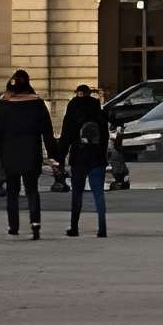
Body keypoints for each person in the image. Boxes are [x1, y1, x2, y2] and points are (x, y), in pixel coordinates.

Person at [0, 70, 55, 239]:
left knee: (12, 191)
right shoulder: (37, 103)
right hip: (31, 152)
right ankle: (35, 224)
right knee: (32, 190)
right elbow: (47, 131)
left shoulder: (3, 104)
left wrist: (0, 151)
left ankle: (13, 226)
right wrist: (53, 154)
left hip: (10, 153)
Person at [60, 83, 109, 238]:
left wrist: (60, 158)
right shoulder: (97, 110)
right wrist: (102, 154)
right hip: (97, 157)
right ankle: (102, 228)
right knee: (98, 194)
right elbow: (105, 136)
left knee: (77, 193)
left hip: (78, 157)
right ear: (89, 93)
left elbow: (66, 136)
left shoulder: (73, 108)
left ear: (78, 93)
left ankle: (74, 227)